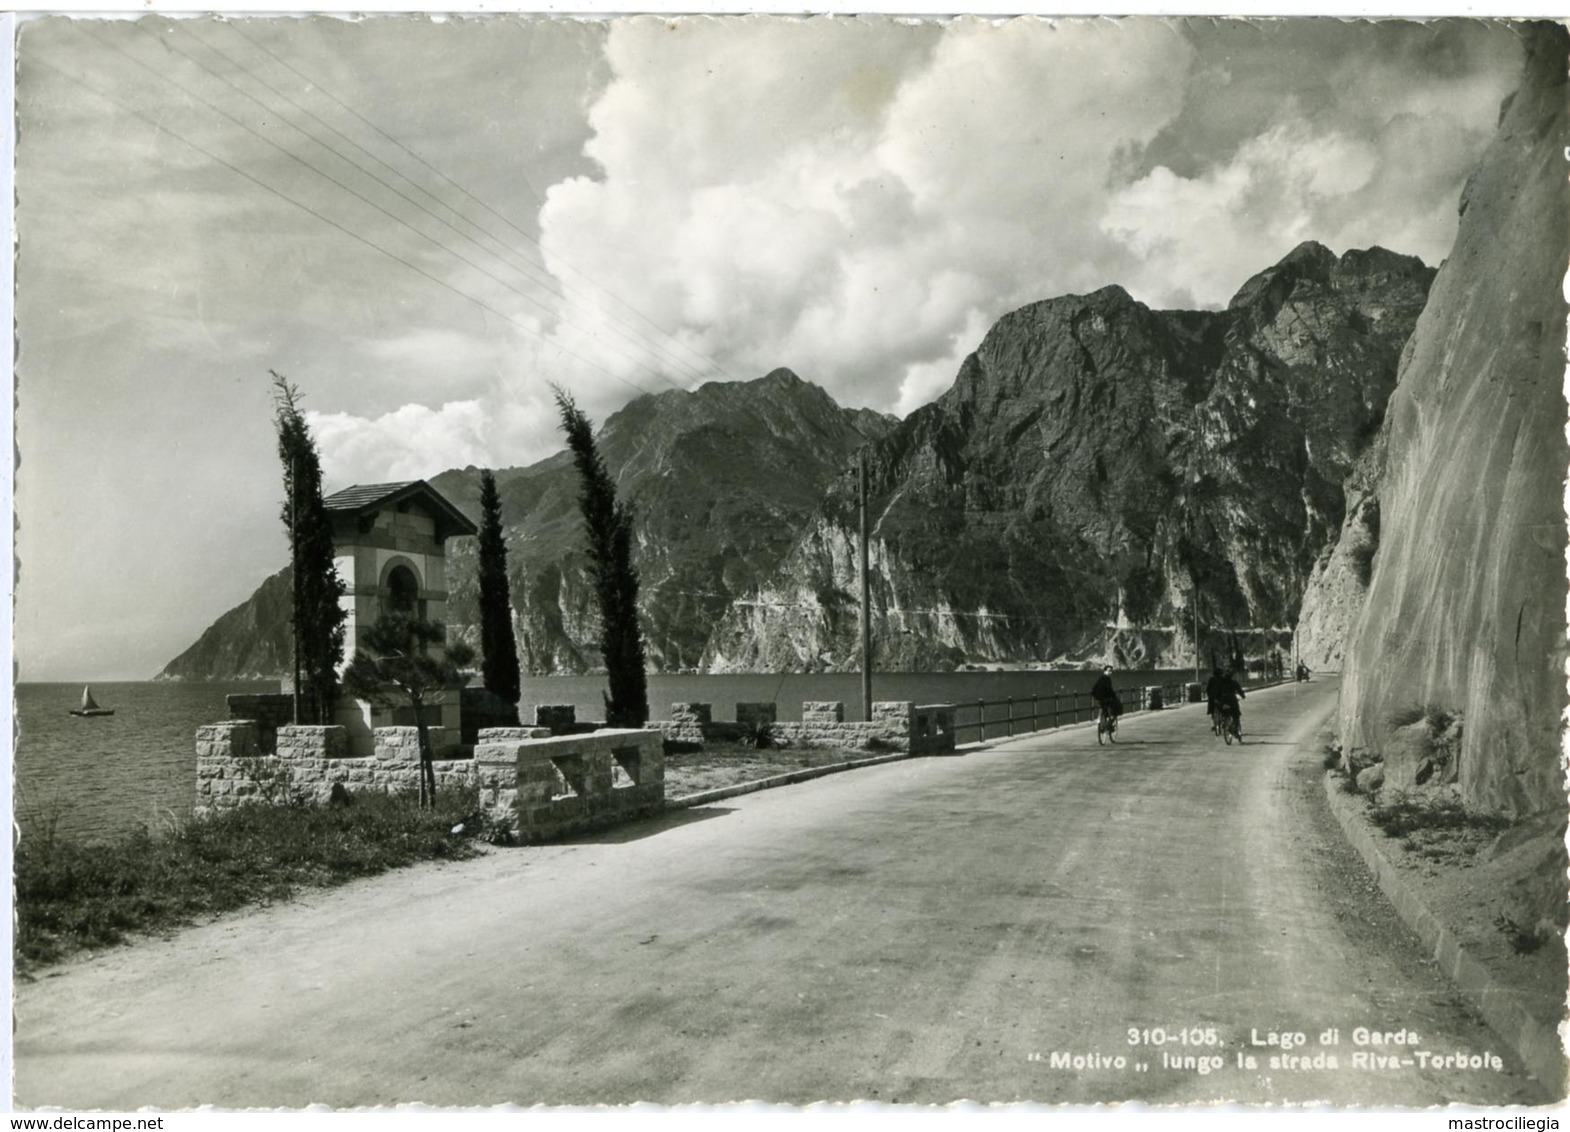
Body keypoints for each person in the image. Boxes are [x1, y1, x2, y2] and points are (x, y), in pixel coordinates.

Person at [1205, 665, 1245, 733]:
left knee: (1217, 710)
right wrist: (1243, 696)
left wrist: (1212, 696)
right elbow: (1239, 691)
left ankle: (1220, 722)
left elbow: (1210, 689)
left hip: (1220, 699)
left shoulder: (1215, 681)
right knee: (1236, 713)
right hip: (1231, 700)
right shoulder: (1232, 682)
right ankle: (1234, 727)